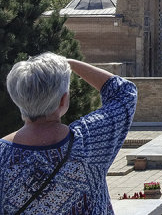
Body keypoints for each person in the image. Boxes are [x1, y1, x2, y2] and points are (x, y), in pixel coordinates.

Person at [0, 53, 137, 214]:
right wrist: (68, 63)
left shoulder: (3, 155)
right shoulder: (89, 143)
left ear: (16, 97)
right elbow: (124, 92)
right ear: (63, 100)